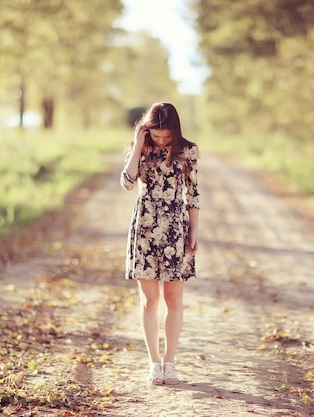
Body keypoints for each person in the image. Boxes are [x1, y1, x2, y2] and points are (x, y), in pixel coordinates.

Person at [120, 102, 200, 385]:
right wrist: (138, 145)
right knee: (149, 300)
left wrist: (193, 231)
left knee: (174, 299)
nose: (162, 140)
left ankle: (170, 363)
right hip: (144, 226)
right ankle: (154, 363)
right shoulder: (139, 148)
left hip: (175, 228)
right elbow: (127, 182)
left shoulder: (188, 150)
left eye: (167, 136)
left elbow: (193, 195)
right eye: (156, 135)